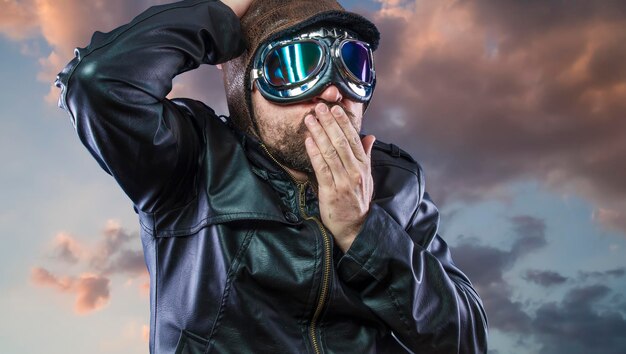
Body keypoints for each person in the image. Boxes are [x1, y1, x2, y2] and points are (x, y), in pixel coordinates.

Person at [55, 0, 488, 352]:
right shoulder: (191, 165)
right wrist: (224, 11)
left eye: (352, 64)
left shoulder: (396, 184)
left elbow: (466, 340)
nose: (335, 91)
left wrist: (363, 231)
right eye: (297, 65)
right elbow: (98, 84)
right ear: (248, 90)